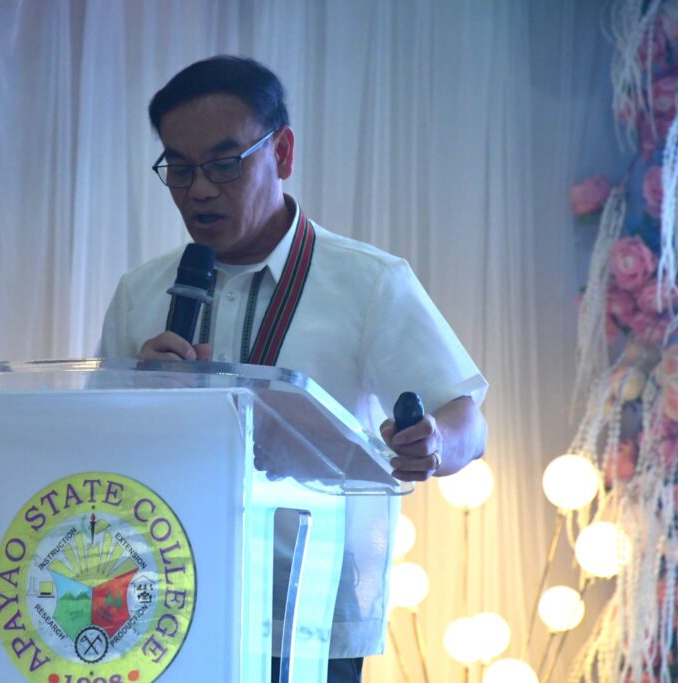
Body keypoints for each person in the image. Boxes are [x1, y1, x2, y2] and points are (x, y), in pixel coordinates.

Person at [98, 55, 488, 683]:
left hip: (305, 617)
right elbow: (95, 451)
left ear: (281, 153)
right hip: (163, 609)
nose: (200, 190)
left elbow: (465, 417)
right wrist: (139, 402)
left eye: (224, 164)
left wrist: (435, 443)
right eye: (180, 168)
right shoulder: (141, 294)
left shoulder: (367, 282)